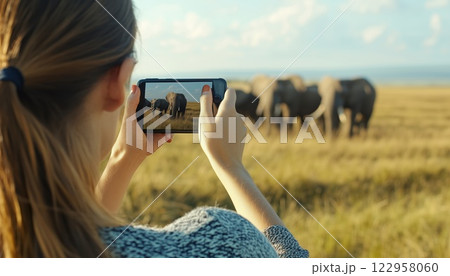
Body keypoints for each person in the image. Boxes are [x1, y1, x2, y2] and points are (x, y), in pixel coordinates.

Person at [0, 0, 308, 258]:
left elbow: (82, 241)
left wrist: (123, 161)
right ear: (119, 80)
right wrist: (232, 168)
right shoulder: (220, 241)